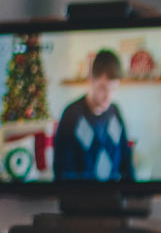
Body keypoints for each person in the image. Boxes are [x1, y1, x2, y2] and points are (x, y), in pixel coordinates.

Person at [54, 49, 135, 181]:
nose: (108, 97)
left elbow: (126, 163)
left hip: (113, 197)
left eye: (113, 89)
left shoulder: (115, 112)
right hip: (81, 199)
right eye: (103, 88)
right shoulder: (71, 115)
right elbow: (62, 172)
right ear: (90, 81)